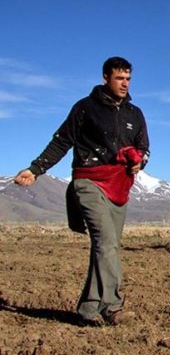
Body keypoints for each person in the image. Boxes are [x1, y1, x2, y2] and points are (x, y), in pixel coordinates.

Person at [14, 57, 150, 326]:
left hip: (119, 185)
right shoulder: (85, 108)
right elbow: (62, 141)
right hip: (88, 181)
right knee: (107, 243)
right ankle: (113, 306)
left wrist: (139, 161)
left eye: (128, 78)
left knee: (105, 247)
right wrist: (35, 169)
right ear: (105, 78)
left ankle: (88, 307)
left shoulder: (135, 114)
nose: (125, 83)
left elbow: (144, 148)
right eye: (119, 78)